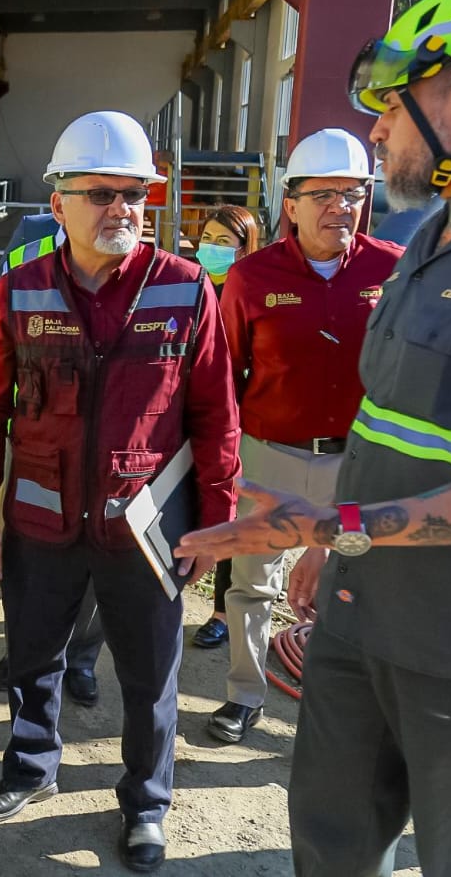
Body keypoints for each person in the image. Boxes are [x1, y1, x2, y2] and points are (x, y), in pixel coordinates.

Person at [177, 0, 451, 876]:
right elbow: (388, 425)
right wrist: (325, 542)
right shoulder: (433, 238)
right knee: (328, 845)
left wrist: (339, 527)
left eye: (392, 104)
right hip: (355, 620)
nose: (375, 130)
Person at [0, 111, 239, 873]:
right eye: (102, 193)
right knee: (32, 656)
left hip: (145, 526)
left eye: (135, 194)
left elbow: (216, 412)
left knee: (150, 675)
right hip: (41, 518)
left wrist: (217, 521)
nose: (122, 207)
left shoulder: (185, 289)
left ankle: (146, 803)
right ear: (59, 204)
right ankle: (31, 767)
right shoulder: (19, 290)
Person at [207, 132, 403, 745]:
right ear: (290, 203)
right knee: (252, 587)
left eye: (353, 193)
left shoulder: (391, 269)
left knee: (354, 586)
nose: (340, 206)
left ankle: (345, 706)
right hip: (269, 459)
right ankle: (244, 694)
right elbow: (224, 378)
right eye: (323, 194)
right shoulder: (250, 278)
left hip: (358, 464)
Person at [0, 211, 101, 706]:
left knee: (95, 556)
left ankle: (81, 659)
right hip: (32, 442)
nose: (110, 205)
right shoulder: (25, 249)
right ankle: (24, 649)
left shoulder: (128, 254)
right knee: (27, 554)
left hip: (101, 445)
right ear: (60, 203)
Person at [190, 204, 262, 651]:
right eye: (207, 240)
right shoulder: (188, 284)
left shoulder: (251, 288)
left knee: (230, 514)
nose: (211, 250)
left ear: (244, 248)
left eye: (223, 243)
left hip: (239, 421)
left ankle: (221, 611)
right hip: (189, 420)